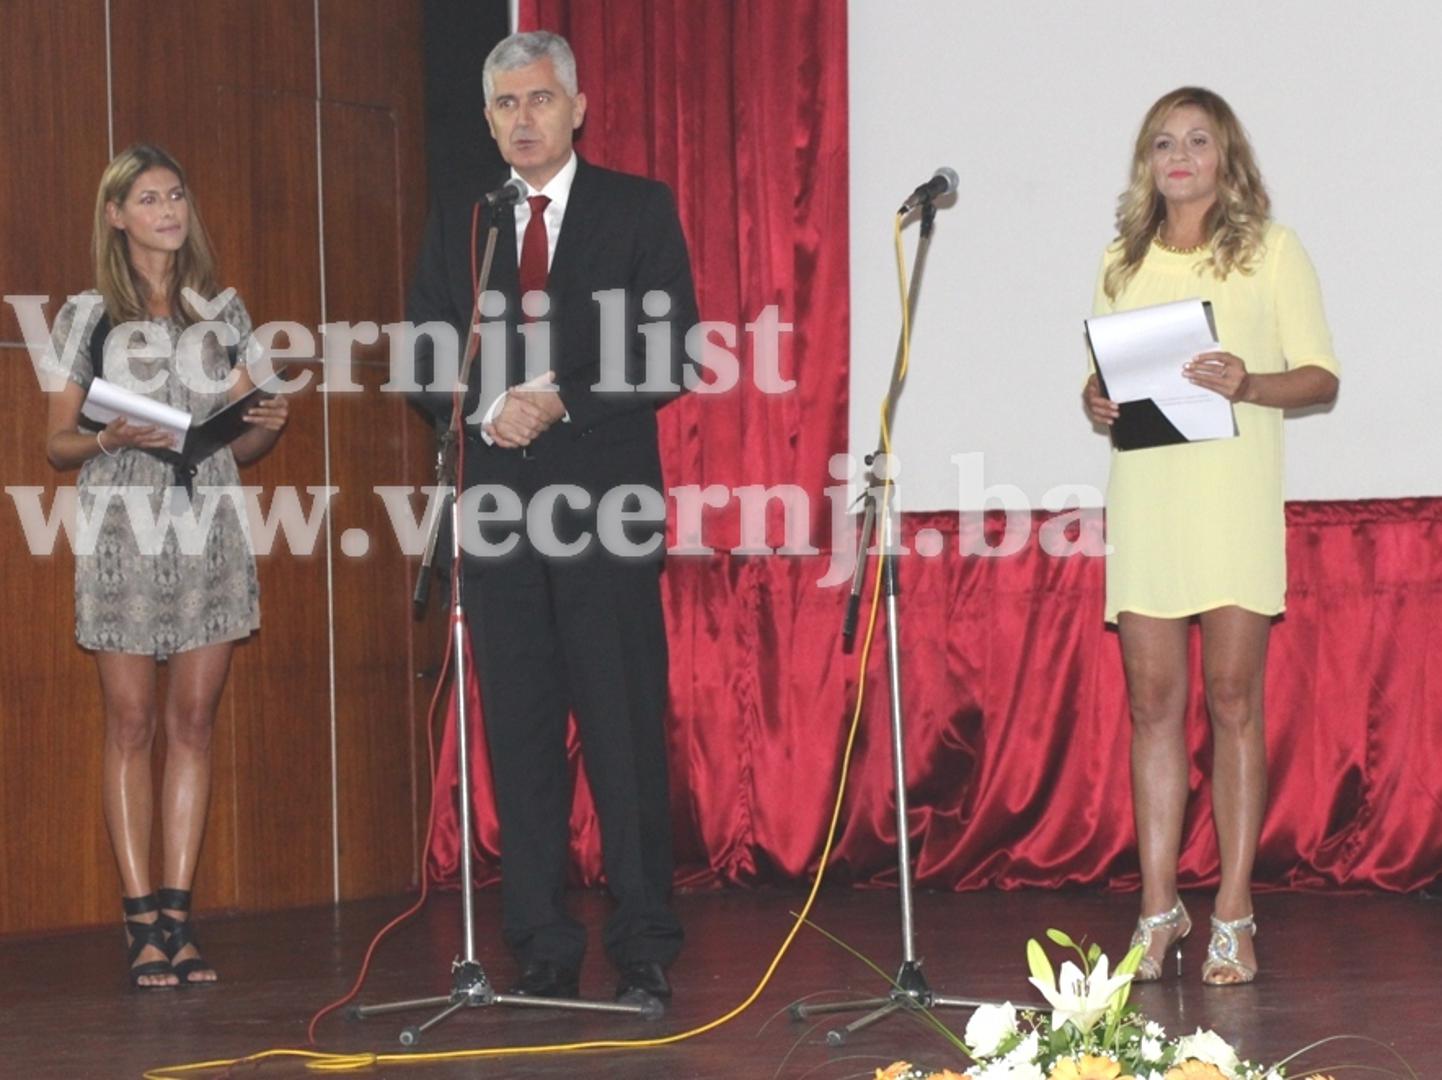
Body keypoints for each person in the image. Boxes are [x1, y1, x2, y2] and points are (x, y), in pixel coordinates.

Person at [407, 31, 698, 1006]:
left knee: (622, 731)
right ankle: (538, 940)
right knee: (521, 735)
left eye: (538, 100)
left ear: (576, 107)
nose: (522, 119)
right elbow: (421, 353)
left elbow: (669, 352)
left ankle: (644, 942)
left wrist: (560, 398)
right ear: (488, 119)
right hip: (495, 510)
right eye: (505, 104)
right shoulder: (468, 219)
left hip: (606, 507)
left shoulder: (636, 208)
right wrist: (491, 406)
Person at [1083, 88, 1339, 986]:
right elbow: (1101, 380)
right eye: (1163, 142)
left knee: (1233, 702)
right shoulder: (1122, 260)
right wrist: (1094, 399)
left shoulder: (1272, 250)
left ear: (1226, 156)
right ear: (1147, 162)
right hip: (1149, 500)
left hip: (1231, 501)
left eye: (1197, 139)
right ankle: (1158, 910)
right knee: (1152, 708)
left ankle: (1232, 910)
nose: (1179, 155)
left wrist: (1248, 383)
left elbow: (1321, 378)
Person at [43, 144, 290, 989]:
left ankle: (179, 920)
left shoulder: (223, 312)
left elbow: (242, 446)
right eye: (148, 198)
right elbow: (56, 443)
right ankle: (139, 920)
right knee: (131, 723)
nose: (167, 210)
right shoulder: (87, 315)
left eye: (175, 195)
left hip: (209, 522)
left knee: (193, 722)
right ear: (117, 216)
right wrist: (109, 436)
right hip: (124, 525)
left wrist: (265, 424)